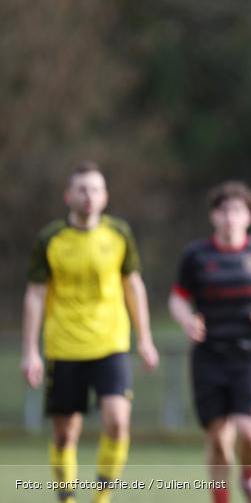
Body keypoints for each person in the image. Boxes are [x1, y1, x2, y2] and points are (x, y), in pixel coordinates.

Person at [20, 160, 159, 503]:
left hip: (110, 343)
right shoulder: (50, 238)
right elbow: (35, 295)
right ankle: (67, 498)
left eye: (95, 189)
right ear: (68, 195)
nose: (89, 196)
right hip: (64, 346)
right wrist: (30, 350)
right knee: (65, 434)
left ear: (105, 196)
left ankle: (101, 497)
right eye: (82, 189)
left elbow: (133, 286)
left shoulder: (119, 234)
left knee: (117, 422)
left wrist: (145, 338)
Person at [169, 181, 251, 503]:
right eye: (223, 211)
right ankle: (221, 498)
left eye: (237, 210)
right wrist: (187, 319)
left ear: (247, 217)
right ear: (213, 216)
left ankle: (250, 479)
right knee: (219, 438)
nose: (230, 217)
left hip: (249, 353)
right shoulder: (196, 255)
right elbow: (178, 299)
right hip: (208, 355)